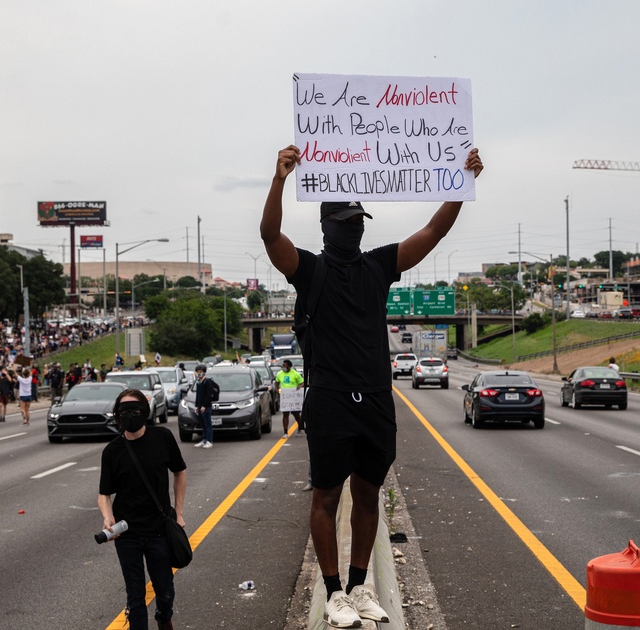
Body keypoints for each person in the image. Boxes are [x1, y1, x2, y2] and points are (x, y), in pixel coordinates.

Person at [260, 143, 482, 627]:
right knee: (326, 496)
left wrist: (462, 186)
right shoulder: (309, 270)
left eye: (359, 219)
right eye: (345, 220)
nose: (354, 227)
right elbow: (269, 234)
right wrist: (279, 179)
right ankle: (334, 592)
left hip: (377, 400)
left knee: (368, 493)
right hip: (332, 400)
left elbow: (433, 231)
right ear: (326, 226)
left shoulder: (379, 266)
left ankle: (360, 588)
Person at [97, 389, 186, 630]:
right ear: (117, 415)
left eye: (135, 410)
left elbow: (179, 472)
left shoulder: (163, 437)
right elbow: (104, 493)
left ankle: (163, 616)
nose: (130, 415)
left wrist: (178, 512)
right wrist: (108, 518)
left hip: (159, 529)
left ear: (145, 412)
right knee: (135, 596)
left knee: (165, 590)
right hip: (127, 534)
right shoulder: (112, 451)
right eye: (124, 411)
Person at [275, 358, 305, 438]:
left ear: (289, 366)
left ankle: (300, 427)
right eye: (282, 365)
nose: (283, 367)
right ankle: (285, 432)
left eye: (285, 365)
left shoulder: (295, 374)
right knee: (285, 414)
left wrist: (300, 386)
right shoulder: (279, 374)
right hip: (285, 398)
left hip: (294, 398)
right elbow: (276, 382)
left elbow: (303, 383)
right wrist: (277, 389)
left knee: (296, 414)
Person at [191, 364, 218, 449]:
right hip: (199, 406)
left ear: (204, 372)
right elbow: (198, 395)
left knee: (208, 424)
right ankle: (204, 439)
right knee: (202, 424)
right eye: (197, 372)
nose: (199, 374)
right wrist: (196, 406)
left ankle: (209, 440)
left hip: (206, 407)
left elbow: (208, 395)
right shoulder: (199, 382)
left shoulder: (207, 382)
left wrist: (204, 406)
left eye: (200, 372)